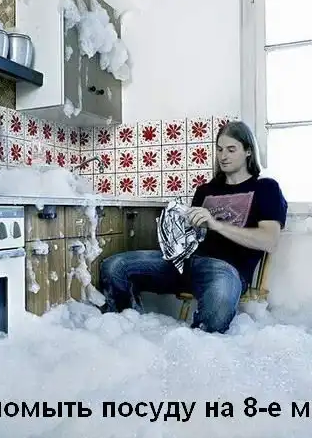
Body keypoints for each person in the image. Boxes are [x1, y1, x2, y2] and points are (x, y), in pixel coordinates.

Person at [97, 120, 288, 333]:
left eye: (231, 149)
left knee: (220, 301)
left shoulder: (266, 188)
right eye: (219, 149)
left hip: (225, 269)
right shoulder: (206, 190)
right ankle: (132, 329)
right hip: (184, 262)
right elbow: (192, 235)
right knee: (114, 267)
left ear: (248, 151)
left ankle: (190, 346)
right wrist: (174, 228)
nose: (223, 156)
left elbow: (269, 241)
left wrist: (216, 225)